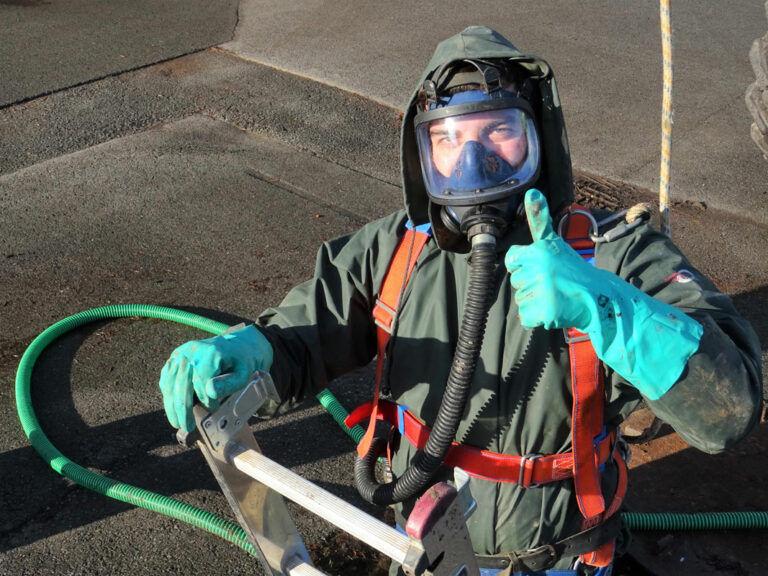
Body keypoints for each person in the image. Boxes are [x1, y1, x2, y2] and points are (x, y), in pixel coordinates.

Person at [159, 26, 762, 575]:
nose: (473, 163)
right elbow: (302, 334)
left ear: (540, 141)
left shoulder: (614, 258)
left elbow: (728, 411)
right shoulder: (396, 252)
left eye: (499, 131)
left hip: (561, 562)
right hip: (421, 555)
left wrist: (609, 306)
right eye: (447, 140)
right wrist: (251, 349)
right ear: (424, 160)